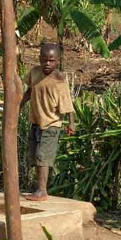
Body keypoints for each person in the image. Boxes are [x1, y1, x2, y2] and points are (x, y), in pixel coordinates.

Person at [20, 42, 76, 202]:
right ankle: (39, 187)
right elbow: (29, 91)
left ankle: (42, 190)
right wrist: (19, 105)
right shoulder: (35, 73)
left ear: (58, 61)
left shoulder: (60, 79)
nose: (47, 64)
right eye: (44, 60)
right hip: (37, 122)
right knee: (34, 155)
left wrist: (71, 123)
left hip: (52, 123)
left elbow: (67, 103)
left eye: (51, 61)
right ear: (39, 59)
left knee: (42, 156)